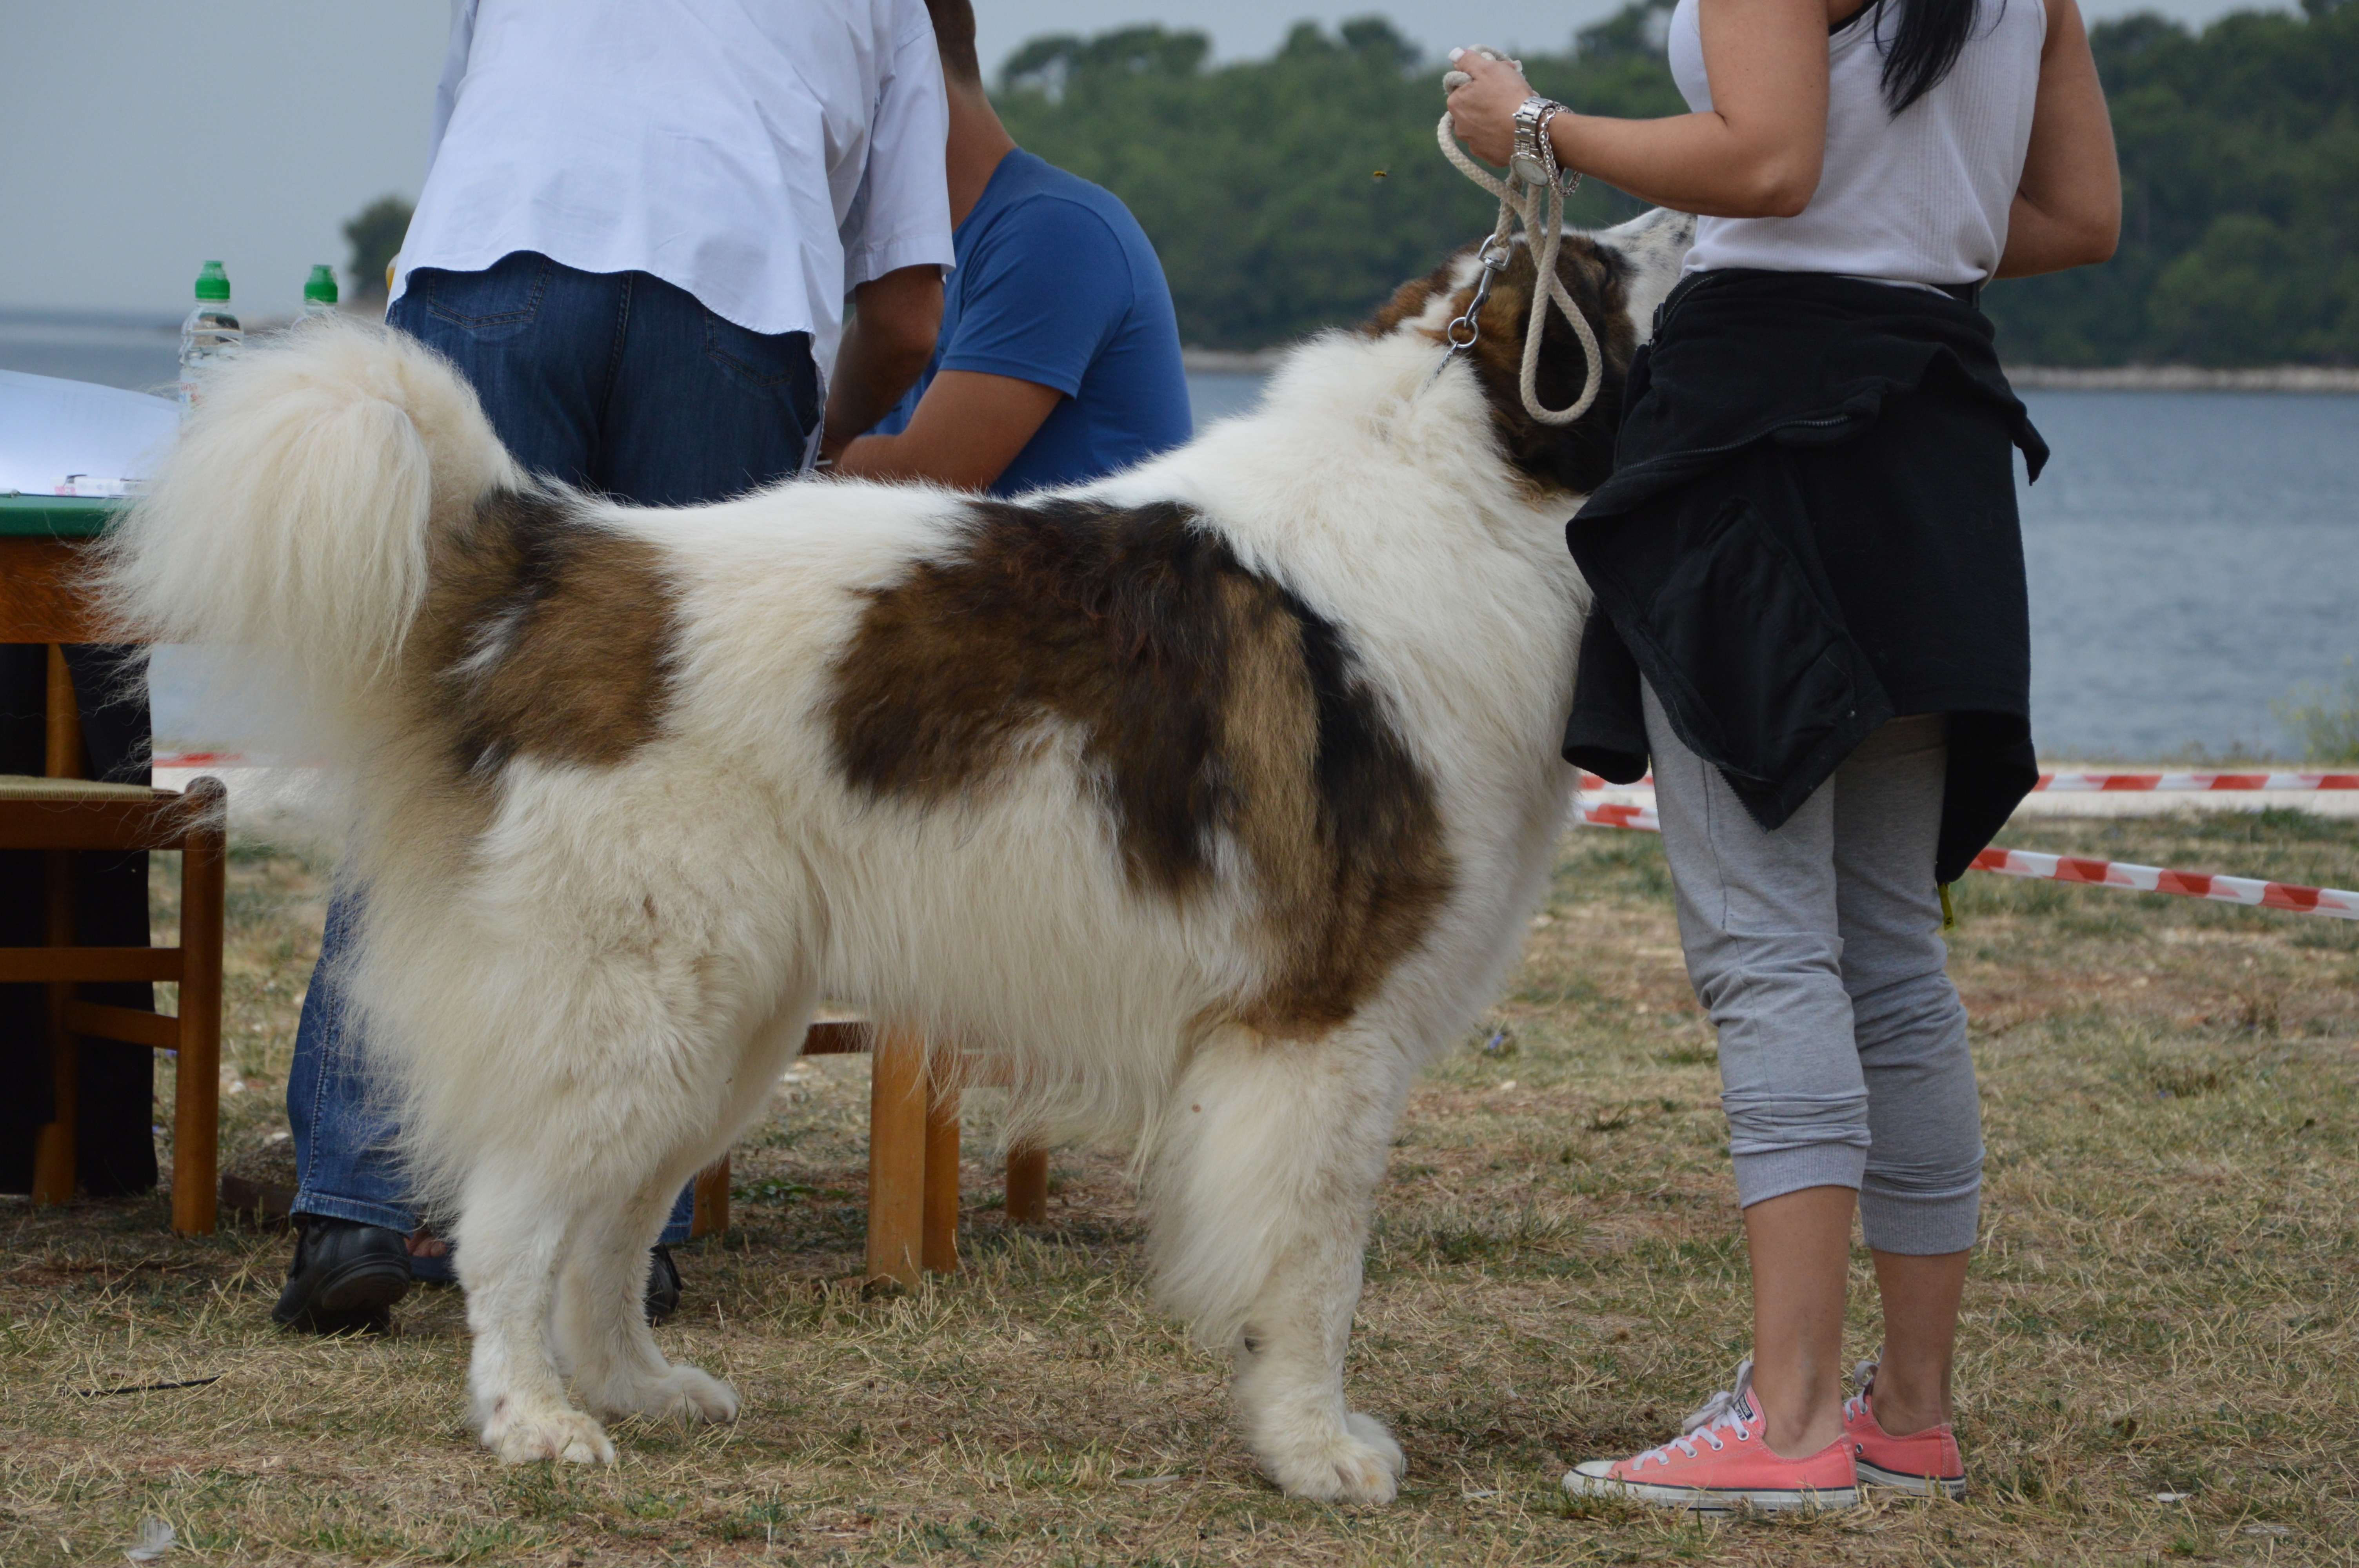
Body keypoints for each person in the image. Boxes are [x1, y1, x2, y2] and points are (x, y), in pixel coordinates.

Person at [1449, 0, 2119, 1510]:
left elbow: (1762, 161)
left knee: (1766, 951)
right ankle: (1906, 1413)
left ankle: (1796, 1420)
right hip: (1929, 425)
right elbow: (2077, 218)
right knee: (1883, 946)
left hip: (1760, 434)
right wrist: (1902, 234)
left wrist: (1530, 130)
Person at [273, 0, 954, 1334]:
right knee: (689, 798)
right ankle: (617, 1238)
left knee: (437, 749)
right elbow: (910, 317)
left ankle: (364, 1199)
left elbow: (469, 134)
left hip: (489, 279)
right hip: (732, 302)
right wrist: (799, 431)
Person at [832, 0, 1191, 493]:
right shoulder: (915, 278)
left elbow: (930, 481)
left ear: (904, 75)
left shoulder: (1060, 235)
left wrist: (766, 458)